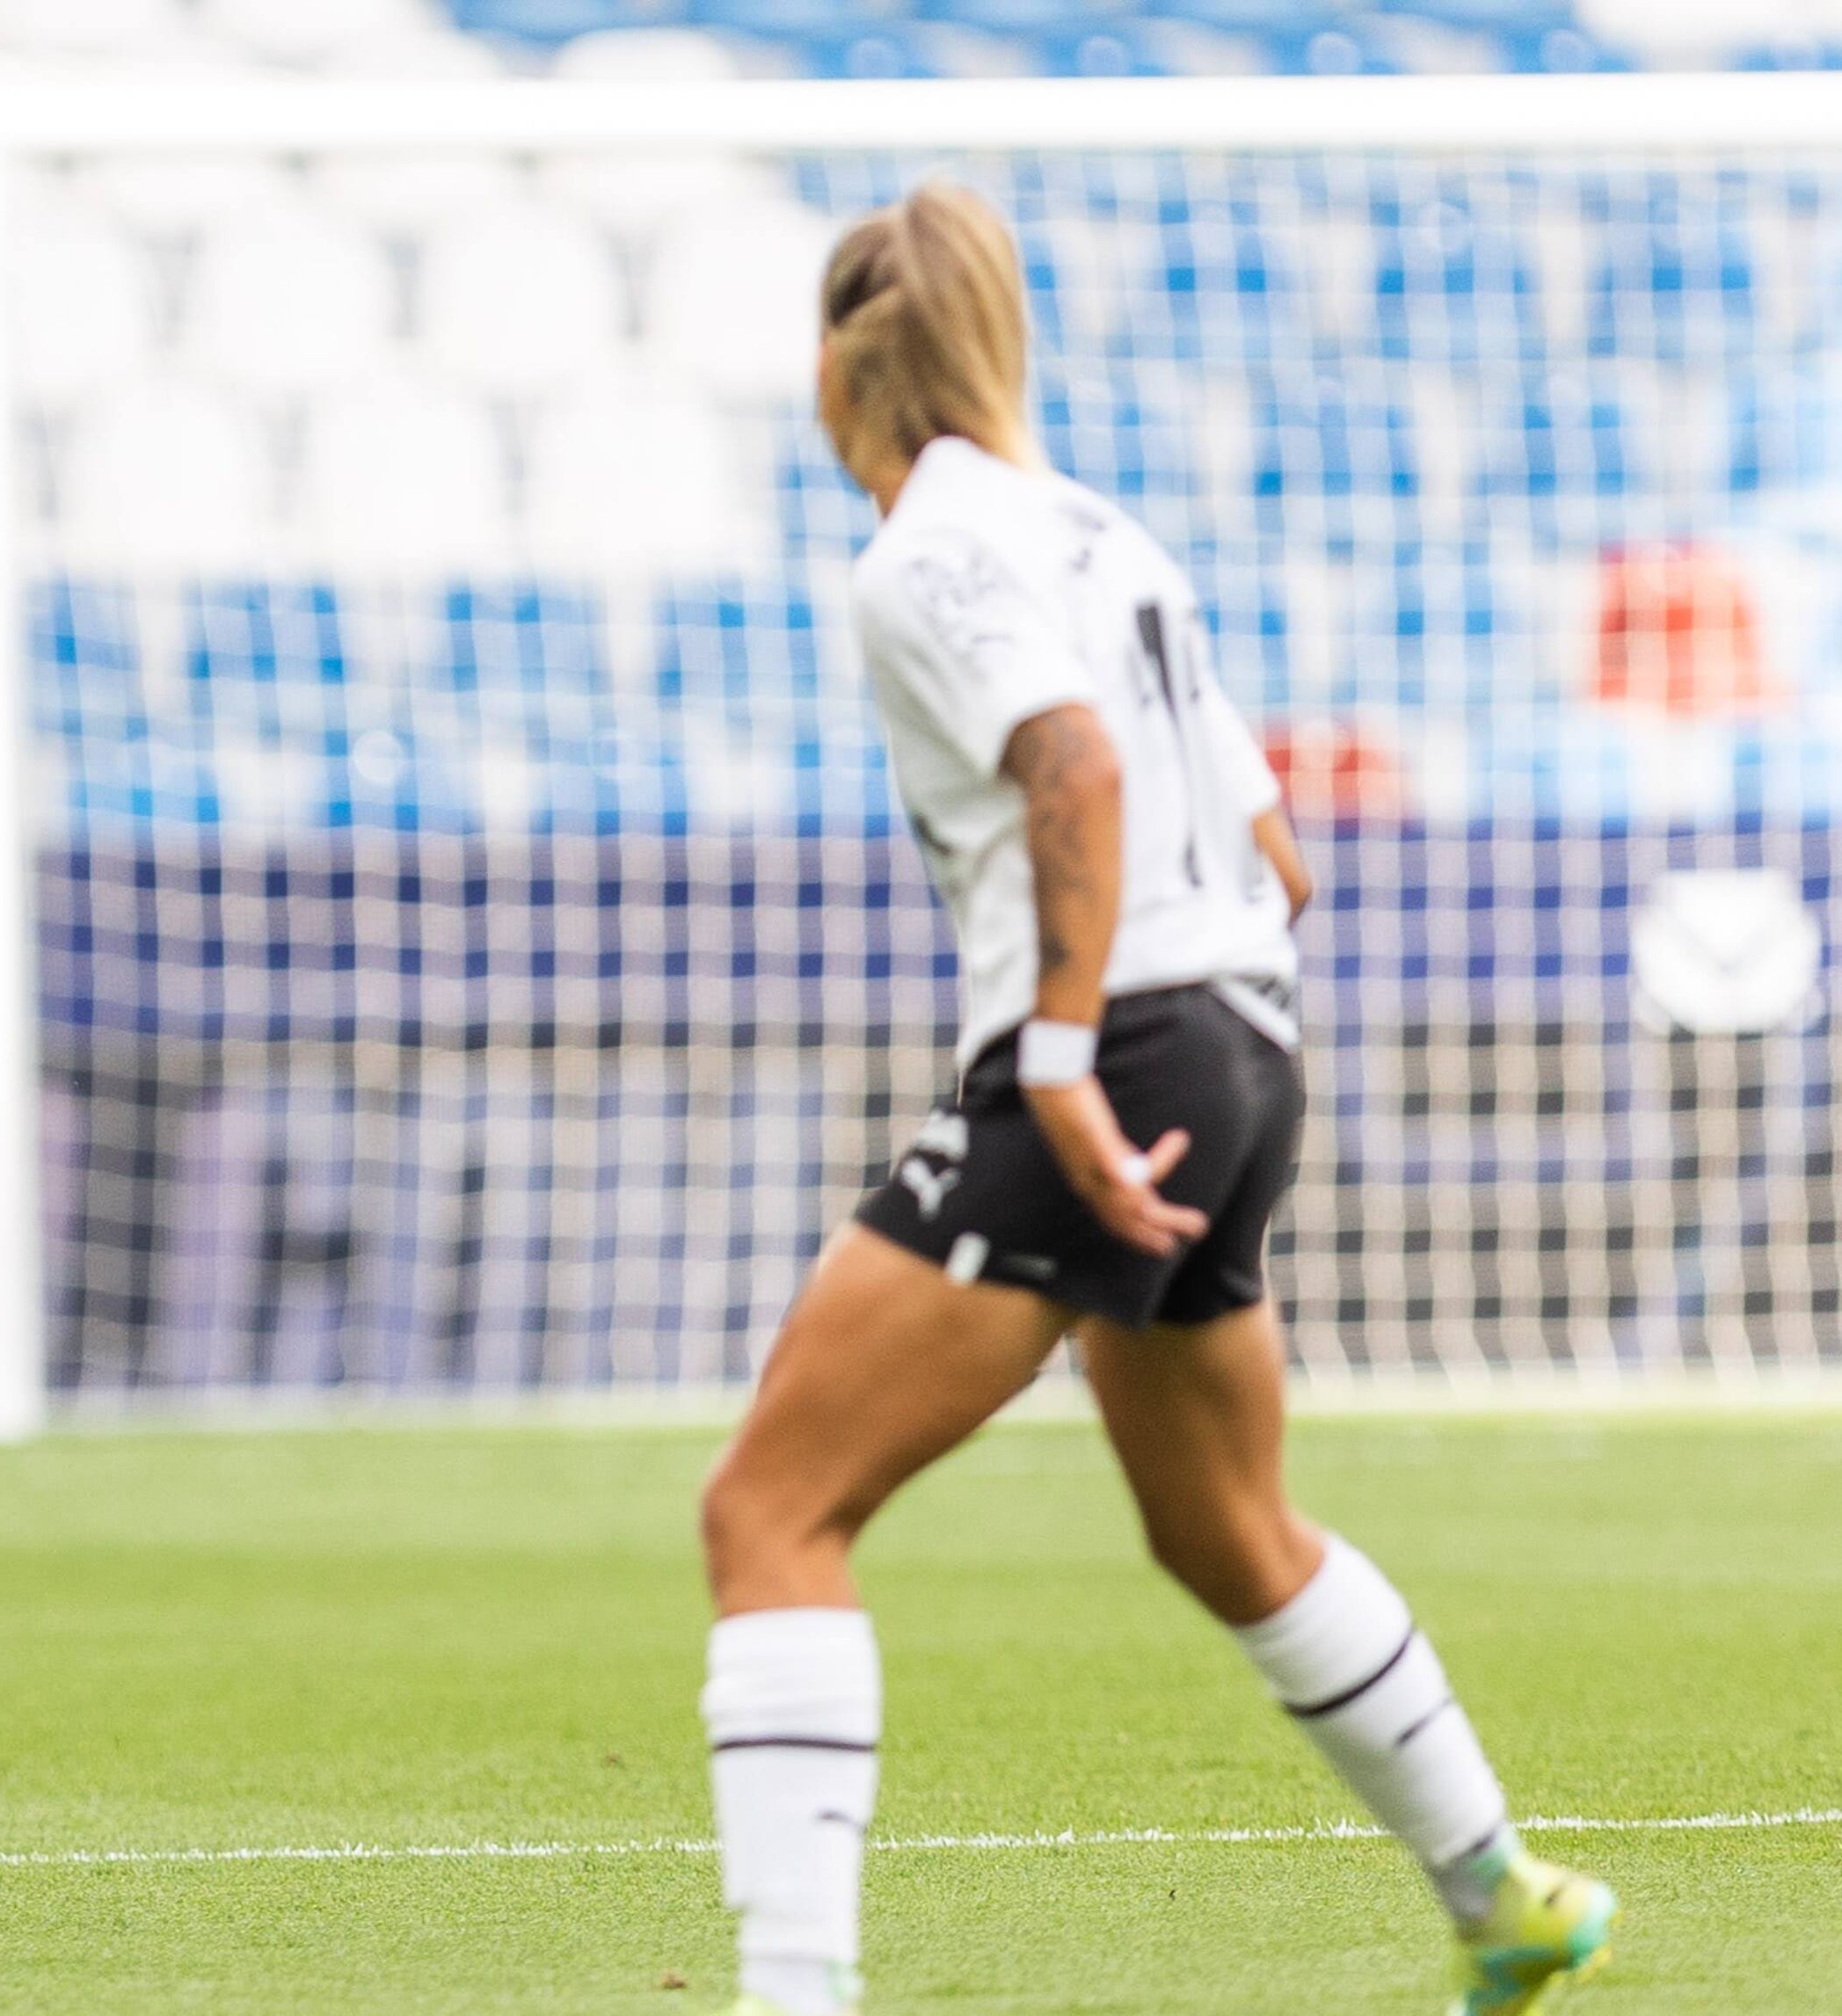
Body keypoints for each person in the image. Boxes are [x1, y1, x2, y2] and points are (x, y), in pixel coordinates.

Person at [692, 185, 1614, 2016]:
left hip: (1107, 1055)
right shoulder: (1103, 534)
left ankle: (787, 1995)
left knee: (767, 1510)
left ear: (834, 372)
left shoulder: (924, 554)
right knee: (1222, 1527)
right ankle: (1501, 1893)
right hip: (1239, 1036)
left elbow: (1073, 763)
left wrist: (1051, 1052)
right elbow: (1276, 847)